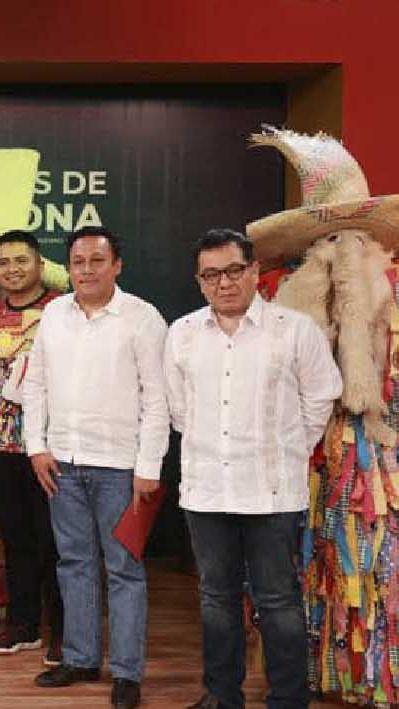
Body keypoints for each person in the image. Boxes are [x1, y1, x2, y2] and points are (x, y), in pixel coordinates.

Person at [164, 229, 340, 709]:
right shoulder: (182, 333)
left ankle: (288, 698)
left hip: (271, 491)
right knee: (216, 599)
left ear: (255, 271)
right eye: (211, 275)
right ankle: (222, 695)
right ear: (199, 281)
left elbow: (321, 397)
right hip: (206, 491)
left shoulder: (294, 329)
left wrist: (287, 449)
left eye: (233, 270)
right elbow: (179, 410)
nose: (224, 283)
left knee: (277, 599)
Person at [23, 226, 168, 709]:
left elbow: (157, 399)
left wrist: (149, 467)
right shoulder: (54, 315)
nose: (86, 270)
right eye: (78, 262)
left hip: (121, 468)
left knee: (124, 568)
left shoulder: (142, 318)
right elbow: (35, 385)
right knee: (74, 563)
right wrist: (36, 447)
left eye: (97, 260)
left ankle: (127, 673)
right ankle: (81, 658)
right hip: (61, 464)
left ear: (117, 265)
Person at [0, 230, 65, 664]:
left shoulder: (61, 309)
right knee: (15, 538)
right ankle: (23, 625)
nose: (12, 269)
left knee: (56, 540)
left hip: (49, 445)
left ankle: (65, 630)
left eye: (21, 260)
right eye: (4, 262)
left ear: (39, 264)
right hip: (2, 443)